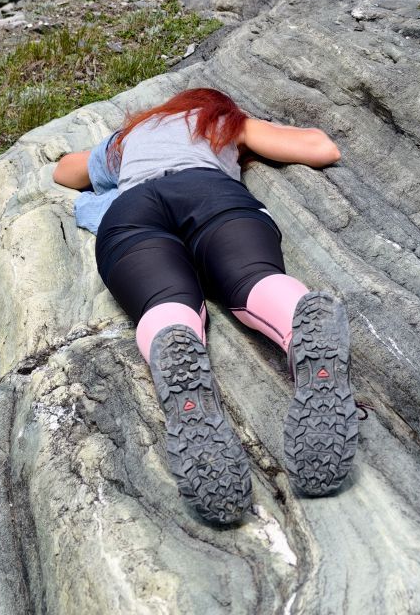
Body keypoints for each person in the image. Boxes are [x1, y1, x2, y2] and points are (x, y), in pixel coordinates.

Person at [53, 87, 358, 525]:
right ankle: (298, 320)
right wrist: (244, 133)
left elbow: (66, 172)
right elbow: (320, 149)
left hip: (132, 209)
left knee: (165, 301)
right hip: (209, 192)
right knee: (253, 278)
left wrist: (113, 153)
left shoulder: (131, 135)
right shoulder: (220, 121)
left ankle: (178, 359)